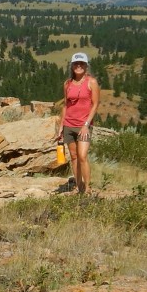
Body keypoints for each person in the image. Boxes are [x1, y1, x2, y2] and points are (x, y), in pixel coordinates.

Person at [53, 52, 101, 194]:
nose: (78, 66)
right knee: (74, 157)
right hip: (68, 124)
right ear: (72, 66)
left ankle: (87, 188)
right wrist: (61, 126)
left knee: (82, 156)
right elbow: (66, 105)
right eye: (76, 63)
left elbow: (95, 104)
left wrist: (86, 125)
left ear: (86, 66)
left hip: (84, 126)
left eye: (82, 63)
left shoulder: (91, 82)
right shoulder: (67, 84)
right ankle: (78, 186)